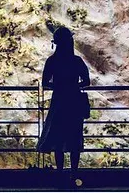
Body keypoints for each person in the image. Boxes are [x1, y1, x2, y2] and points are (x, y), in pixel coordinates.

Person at [36, 26, 91, 172]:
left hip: (59, 101)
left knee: (58, 138)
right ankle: (74, 172)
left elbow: (45, 82)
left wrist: (59, 85)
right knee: (75, 137)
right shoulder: (76, 61)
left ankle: (60, 172)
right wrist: (73, 85)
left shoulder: (52, 61)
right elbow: (86, 81)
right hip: (74, 101)